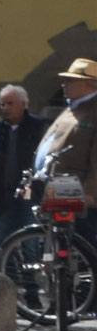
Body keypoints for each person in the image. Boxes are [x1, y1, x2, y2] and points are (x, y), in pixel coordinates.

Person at [31, 57, 97, 244]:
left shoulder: (93, 109)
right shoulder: (72, 107)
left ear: (87, 83)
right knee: (58, 239)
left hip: (77, 186)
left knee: (81, 241)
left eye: (70, 80)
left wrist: (92, 191)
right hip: (59, 183)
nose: (63, 84)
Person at [0, 84, 50, 244]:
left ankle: (30, 269)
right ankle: (2, 269)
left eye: (10, 103)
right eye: (3, 104)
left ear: (24, 104)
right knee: (2, 238)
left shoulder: (39, 126)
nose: (5, 108)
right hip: (3, 194)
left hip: (30, 194)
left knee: (32, 239)